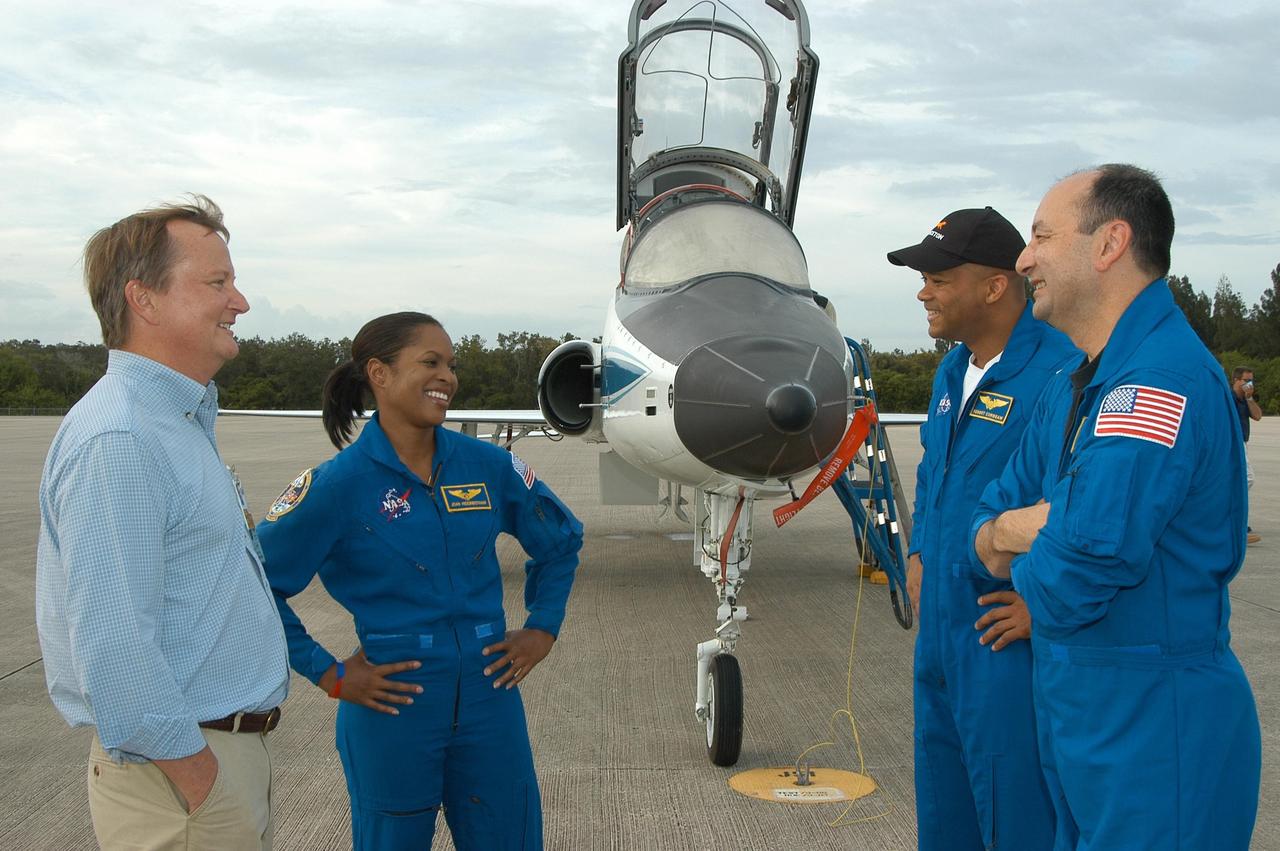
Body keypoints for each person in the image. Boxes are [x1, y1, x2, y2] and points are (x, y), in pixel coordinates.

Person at [973, 164, 1261, 849]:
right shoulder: (1079, 384)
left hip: (1157, 728)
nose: (1023, 257)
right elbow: (983, 531)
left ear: (1109, 244)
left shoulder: (1156, 383)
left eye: (1041, 234)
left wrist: (1028, 536)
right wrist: (1024, 525)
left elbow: (1077, 573)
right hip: (1083, 718)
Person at [256, 311, 582, 850]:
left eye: (451, 365)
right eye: (430, 363)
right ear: (379, 374)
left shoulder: (489, 466)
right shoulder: (337, 486)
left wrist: (543, 627)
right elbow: (257, 583)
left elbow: (561, 542)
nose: (447, 377)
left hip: (490, 698)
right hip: (394, 706)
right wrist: (329, 674)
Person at [35, 196, 290, 849]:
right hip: (180, 779)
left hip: (208, 766)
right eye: (217, 282)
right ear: (143, 299)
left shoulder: (175, 421)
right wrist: (197, 777)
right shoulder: (119, 437)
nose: (240, 300)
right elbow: (114, 645)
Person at [889, 206, 1077, 850]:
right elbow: (935, 472)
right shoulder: (951, 372)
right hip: (940, 631)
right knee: (944, 810)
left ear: (995, 287)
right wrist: (917, 551)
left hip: (1004, 641)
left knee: (1017, 812)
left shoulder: (1064, 373)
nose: (923, 291)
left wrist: (1043, 601)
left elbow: (1085, 504)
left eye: (939, 278)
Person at [1231, 366, 1263, 543]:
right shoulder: (1228, 398)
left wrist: (1249, 397)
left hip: (1243, 443)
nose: (1249, 384)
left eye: (1251, 380)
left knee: (1240, 482)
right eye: (1246, 380)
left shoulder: (1245, 400)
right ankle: (1236, 521)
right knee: (1247, 479)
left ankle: (1236, 520)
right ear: (1236, 380)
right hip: (1233, 444)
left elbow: (1258, 416)